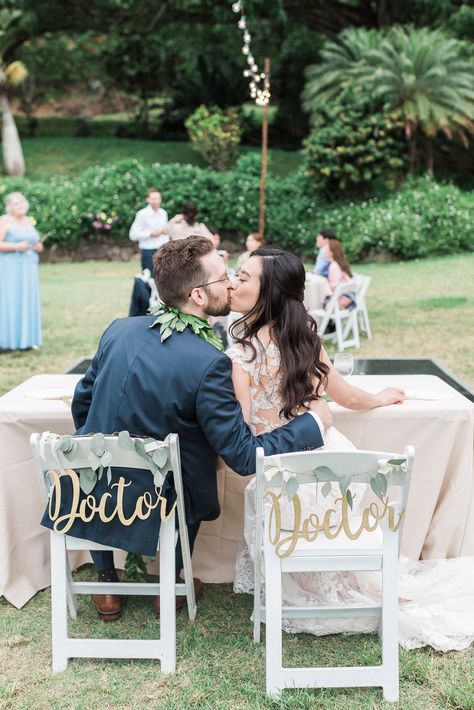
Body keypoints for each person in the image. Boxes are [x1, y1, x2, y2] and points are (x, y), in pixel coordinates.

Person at [71, 236, 331, 621]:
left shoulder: (118, 330)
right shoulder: (210, 363)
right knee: (188, 471)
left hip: (94, 492)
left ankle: (107, 583)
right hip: (161, 500)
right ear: (197, 295)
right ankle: (172, 583)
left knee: (99, 460)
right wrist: (310, 423)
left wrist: (100, 442)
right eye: (223, 277)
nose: (230, 284)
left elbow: (83, 400)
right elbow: (243, 456)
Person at [227, 247, 405, 635]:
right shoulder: (304, 339)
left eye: (243, 277)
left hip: (281, 477)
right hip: (331, 466)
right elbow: (346, 396)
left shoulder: (240, 355)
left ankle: (303, 586)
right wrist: (378, 399)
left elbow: (241, 431)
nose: (233, 281)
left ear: (268, 293)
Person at [0, 192, 43, 350]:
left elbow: (33, 241)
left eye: (22, 203)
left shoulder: (27, 221)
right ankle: (9, 341)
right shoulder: (4, 220)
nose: (20, 206)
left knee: (28, 300)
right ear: (9, 207)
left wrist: (38, 247)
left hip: (29, 267)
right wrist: (16, 246)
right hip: (11, 268)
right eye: (16, 204)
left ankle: (28, 340)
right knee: (12, 301)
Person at [129, 188, 169, 272]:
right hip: (148, 252)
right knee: (149, 281)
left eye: (157, 198)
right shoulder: (142, 214)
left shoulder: (163, 213)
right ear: (148, 199)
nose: (155, 201)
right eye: (153, 199)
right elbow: (133, 235)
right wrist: (150, 234)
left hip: (163, 251)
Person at [325, 238, 356, 310]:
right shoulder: (341, 263)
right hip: (348, 298)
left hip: (340, 300)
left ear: (331, 252)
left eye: (326, 250)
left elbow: (334, 286)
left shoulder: (334, 266)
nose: (324, 252)